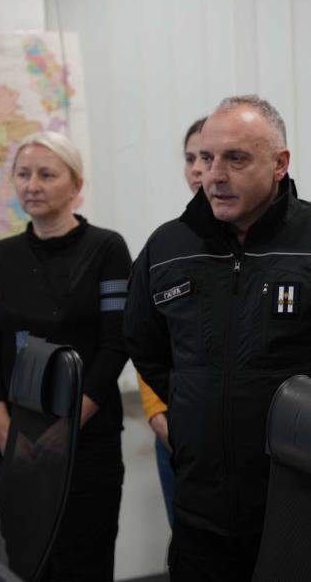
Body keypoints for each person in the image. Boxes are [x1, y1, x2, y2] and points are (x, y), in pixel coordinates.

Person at [124, 94, 311, 582]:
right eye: (206, 158)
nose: (214, 175)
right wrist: (189, 410)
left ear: (279, 163)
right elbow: (145, 344)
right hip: (201, 514)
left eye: (236, 158)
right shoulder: (167, 247)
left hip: (308, 505)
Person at [0, 131, 130, 581]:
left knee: (84, 562)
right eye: (23, 174)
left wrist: (69, 427)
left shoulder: (107, 249)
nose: (32, 185)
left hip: (88, 440)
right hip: (19, 442)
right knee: (25, 562)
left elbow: (116, 345)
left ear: (75, 184)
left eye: (46, 175)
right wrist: (3, 429)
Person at [135, 115, 207, 526]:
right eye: (190, 158)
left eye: (207, 157)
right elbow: (146, 337)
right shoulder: (166, 244)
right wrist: (156, 412)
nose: (198, 169)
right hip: (175, 431)